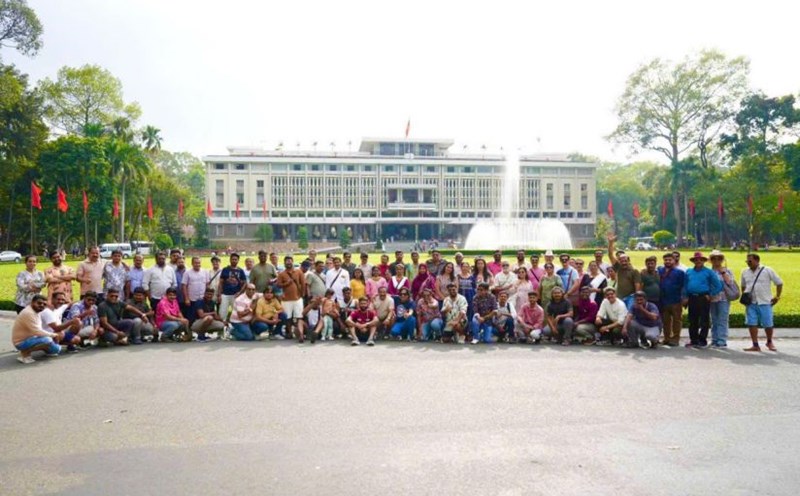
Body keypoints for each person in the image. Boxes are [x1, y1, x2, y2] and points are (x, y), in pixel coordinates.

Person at [741, 253, 783, 352]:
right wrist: (745, 296)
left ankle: (769, 342)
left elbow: (779, 283)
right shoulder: (745, 272)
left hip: (765, 301)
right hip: (751, 303)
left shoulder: (767, 270)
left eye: (750, 261)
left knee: (768, 323)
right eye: (747, 261)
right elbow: (743, 286)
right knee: (751, 323)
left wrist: (777, 296)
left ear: (757, 260)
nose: (748, 263)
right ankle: (755, 345)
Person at [682, 251, 722, 348]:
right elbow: (685, 285)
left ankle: (702, 340)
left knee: (704, 320)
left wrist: (711, 294)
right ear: (694, 261)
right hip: (692, 297)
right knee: (692, 320)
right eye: (696, 260)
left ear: (704, 261)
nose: (698, 261)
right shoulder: (689, 271)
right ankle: (694, 340)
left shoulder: (709, 272)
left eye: (700, 260)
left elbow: (718, 285)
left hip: (703, 297)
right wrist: (685, 296)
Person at [12, 295, 61, 364]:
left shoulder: (36, 311)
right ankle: (25, 353)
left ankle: (41, 348)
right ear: (32, 302)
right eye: (39, 303)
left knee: (56, 349)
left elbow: (38, 330)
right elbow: (37, 331)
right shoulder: (29, 313)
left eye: (44, 304)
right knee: (47, 340)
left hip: (32, 338)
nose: (42, 305)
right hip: (20, 342)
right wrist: (53, 335)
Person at [708, 250, 737, 348]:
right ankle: (714, 339)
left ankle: (722, 340)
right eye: (714, 258)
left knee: (723, 319)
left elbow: (730, 282)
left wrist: (723, 272)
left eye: (719, 258)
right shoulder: (709, 271)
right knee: (714, 319)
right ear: (711, 260)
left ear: (722, 260)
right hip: (712, 298)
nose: (716, 260)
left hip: (724, 298)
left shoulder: (727, 271)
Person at [276, 256, 305, 339]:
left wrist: (302, 294)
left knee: (299, 316)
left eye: (290, 261)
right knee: (288, 317)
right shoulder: (281, 274)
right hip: (286, 299)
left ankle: (300, 333)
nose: (288, 262)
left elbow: (303, 283)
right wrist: (287, 283)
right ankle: (290, 333)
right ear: (284, 263)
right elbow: (278, 285)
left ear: (292, 262)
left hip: (297, 298)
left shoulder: (299, 272)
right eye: (287, 261)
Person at [608, 236, 642, 307]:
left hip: (631, 297)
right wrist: (611, 242)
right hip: (620, 297)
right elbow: (610, 255)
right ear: (619, 261)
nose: (623, 262)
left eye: (625, 261)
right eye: (621, 261)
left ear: (628, 261)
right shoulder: (618, 268)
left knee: (629, 312)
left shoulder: (634, 271)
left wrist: (637, 299)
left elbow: (637, 286)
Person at [217, 253, 246, 325]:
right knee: (222, 312)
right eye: (233, 259)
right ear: (230, 260)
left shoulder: (241, 271)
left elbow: (245, 283)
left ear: (238, 260)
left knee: (236, 312)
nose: (234, 261)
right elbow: (221, 282)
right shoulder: (225, 269)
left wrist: (240, 292)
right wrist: (219, 294)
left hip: (236, 295)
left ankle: (235, 327)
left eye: (236, 259)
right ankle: (222, 328)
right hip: (225, 294)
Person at [182, 257, 209, 321]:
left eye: (199, 263)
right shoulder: (187, 272)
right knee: (191, 317)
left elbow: (207, 284)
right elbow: (184, 286)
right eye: (195, 263)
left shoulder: (205, 272)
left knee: (201, 317)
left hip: (202, 298)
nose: (197, 264)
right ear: (192, 263)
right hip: (191, 299)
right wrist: (186, 298)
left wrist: (206, 295)